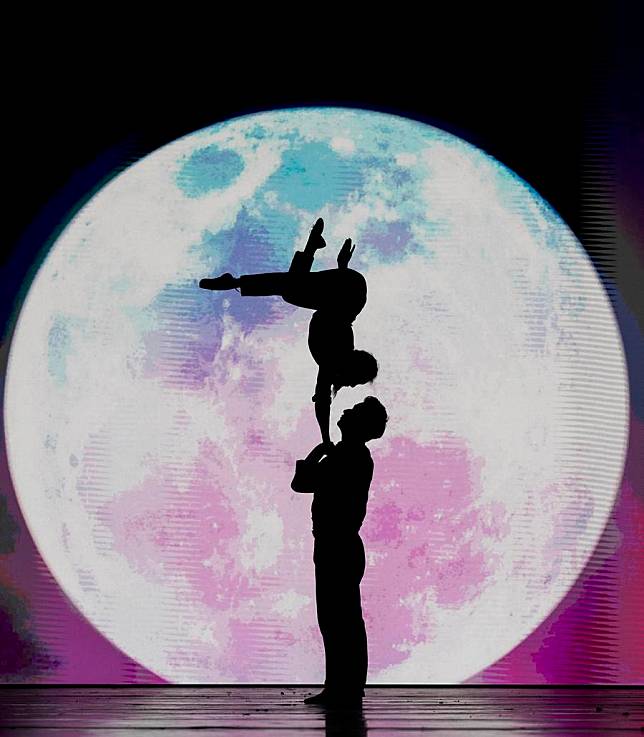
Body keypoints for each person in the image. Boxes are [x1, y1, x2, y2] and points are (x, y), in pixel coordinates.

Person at [199, 219, 378, 446]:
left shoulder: (334, 359)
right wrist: (326, 440)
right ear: (352, 371)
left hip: (348, 288)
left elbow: (323, 401)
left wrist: (342, 266)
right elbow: (323, 403)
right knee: (292, 290)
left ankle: (311, 247)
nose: (351, 386)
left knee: (292, 290)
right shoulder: (334, 359)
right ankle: (235, 281)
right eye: (355, 382)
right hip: (347, 292)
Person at [291, 396, 388, 707]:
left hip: (337, 545)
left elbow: (302, 482)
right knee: (340, 620)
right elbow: (305, 483)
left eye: (355, 411)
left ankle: (341, 688)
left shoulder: (350, 456)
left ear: (360, 425)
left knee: (338, 621)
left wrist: (319, 452)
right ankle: (344, 687)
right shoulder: (349, 455)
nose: (345, 410)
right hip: (337, 544)